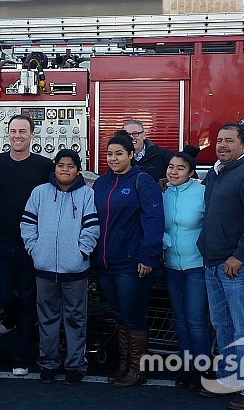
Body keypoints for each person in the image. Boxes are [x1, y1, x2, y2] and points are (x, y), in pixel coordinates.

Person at [196, 124, 244, 409]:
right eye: (219, 140)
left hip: (240, 265)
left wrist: (239, 256)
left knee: (243, 327)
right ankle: (228, 378)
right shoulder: (218, 173)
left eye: (230, 140)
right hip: (214, 262)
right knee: (223, 325)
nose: (223, 145)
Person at [20, 149, 99, 386]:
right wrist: (35, 250)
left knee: (76, 318)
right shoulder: (40, 192)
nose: (65, 170)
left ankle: (76, 365)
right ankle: (48, 364)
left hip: (75, 270)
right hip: (44, 268)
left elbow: (92, 227)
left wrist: (80, 253)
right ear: (54, 168)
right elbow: (27, 224)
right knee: (47, 318)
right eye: (61, 165)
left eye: (71, 166)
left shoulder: (87, 194)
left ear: (78, 170)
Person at [93, 134, 163, 388]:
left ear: (131, 154)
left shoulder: (143, 182)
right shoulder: (101, 183)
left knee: (133, 316)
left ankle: (138, 370)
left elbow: (154, 222)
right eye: (110, 154)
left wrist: (148, 256)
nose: (113, 159)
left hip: (132, 264)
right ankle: (124, 365)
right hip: (106, 263)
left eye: (119, 153)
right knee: (120, 315)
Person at [0, 114, 53, 375]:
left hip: (32, 243)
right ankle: (11, 317)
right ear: (8, 134)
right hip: (2, 239)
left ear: (32, 135)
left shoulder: (43, 165)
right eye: (13, 130)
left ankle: (21, 358)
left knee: (28, 300)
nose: (17, 135)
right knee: (2, 295)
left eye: (23, 131)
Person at [162, 150, 210, 391]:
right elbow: (156, 224)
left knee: (196, 320)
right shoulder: (163, 194)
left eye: (180, 168)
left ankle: (203, 368)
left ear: (191, 172)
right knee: (180, 320)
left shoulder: (202, 193)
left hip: (196, 266)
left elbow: (212, 225)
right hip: (171, 265)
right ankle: (185, 366)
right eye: (170, 167)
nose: (173, 172)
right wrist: (164, 241)